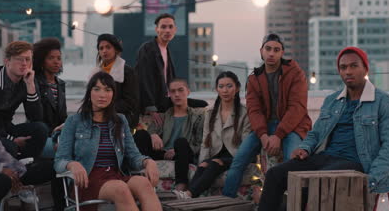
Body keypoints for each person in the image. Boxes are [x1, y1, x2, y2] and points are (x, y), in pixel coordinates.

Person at [258, 47, 389, 211]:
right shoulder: (333, 100)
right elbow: (316, 133)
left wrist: (371, 180)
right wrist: (305, 148)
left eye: (354, 66)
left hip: (357, 164)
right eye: (343, 67)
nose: (348, 71)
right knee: (274, 175)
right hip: (325, 158)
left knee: (315, 185)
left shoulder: (384, 103)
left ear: (365, 69)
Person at [54, 72, 162, 211]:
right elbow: (59, 160)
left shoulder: (120, 121)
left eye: (107, 90)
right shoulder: (74, 121)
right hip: (87, 180)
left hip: (115, 175)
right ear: (89, 93)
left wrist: (148, 162)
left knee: (144, 184)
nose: (102, 95)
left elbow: (133, 156)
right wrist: (71, 164)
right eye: (97, 89)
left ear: (113, 94)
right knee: (120, 189)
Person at [223, 33, 312, 198]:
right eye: (268, 49)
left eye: (276, 50)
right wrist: (263, 135)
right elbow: (254, 110)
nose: (271, 53)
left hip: (293, 126)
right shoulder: (254, 79)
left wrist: (278, 134)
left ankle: (292, 204)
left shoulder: (295, 73)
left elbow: (297, 107)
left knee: (292, 164)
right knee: (238, 161)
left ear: (282, 53)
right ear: (261, 51)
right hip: (264, 126)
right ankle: (226, 202)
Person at [173, 71, 251, 199]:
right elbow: (205, 142)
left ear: (237, 88)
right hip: (216, 153)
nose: (225, 90)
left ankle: (188, 195)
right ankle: (188, 197)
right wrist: (203, 161)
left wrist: (225, 160)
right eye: (221, 86)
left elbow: (245, 145)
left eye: (229, 86)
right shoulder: (210, 112)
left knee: (215, 163)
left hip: (236, 156)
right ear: (216, 89)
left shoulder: (244, 113)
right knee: (204, 165)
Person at [0, 41, 48, 159]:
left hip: (6, 127)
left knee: (40, 129)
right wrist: (11, 139)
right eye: (19, 59)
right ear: (7, 61)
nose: (24, 64)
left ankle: (26, 165)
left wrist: (31, 87)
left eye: (28, 59)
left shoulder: (29, 80)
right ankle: (13, 168)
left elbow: (36, 117)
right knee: (10, 146)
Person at [133, 78, 205, 191]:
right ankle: (139, 177)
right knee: (140, 134)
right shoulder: (164, 116)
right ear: (169, 94)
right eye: (173, 91)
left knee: (181, 142)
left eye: (181, 90)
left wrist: (176, 150)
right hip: (163, 152)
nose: (177, 94)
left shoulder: (197, 116)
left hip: (184, 153)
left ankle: (181, 186)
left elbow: (199, 143)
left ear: (188, 92)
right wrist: (152, 135)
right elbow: (148, 136)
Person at [135, 13, 207, 126]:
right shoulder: (147, 49)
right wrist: (151, 108)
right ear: (156, 30)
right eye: (163, 27)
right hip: (155, 103)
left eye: (170, 27)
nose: (167, 30)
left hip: (167, 100)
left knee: (202, 104)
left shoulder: (167, 51)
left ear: (175, 30)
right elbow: (143, 79)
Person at [91, 33, 139, 129]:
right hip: (97, 120)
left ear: (116, 49)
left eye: (108, 47)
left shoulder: (127, 72)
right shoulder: (95, 73)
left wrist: (104, 108)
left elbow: (131, 102)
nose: (104, 51)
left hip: (121, 122)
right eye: (101, 48)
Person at [32, 38, 67, 158]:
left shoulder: (60, 84)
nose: (56, 62)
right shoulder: (35, 82)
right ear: (42, 61)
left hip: (59, 136)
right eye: (51, 58)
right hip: (42, 137)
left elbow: (63, 117)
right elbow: (36, 117)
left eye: (59, 58)